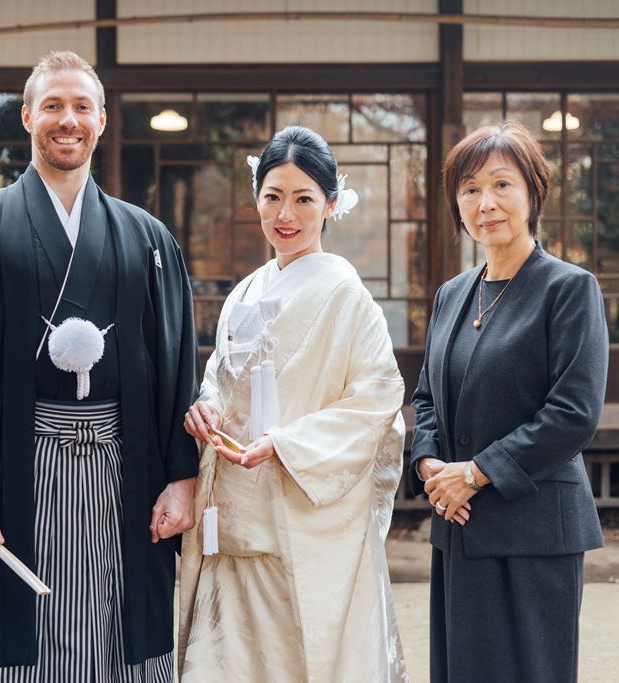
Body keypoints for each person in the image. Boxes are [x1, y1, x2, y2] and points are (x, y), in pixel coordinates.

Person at [0, 51, 199, 681]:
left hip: (125, 471)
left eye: (82, 107)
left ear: (102, 119)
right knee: (19, 641)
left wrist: (183, 479)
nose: (68, 120)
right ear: (27, 117)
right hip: (13, 471)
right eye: (53, 106)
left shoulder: (148, 238)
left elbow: (179, 365)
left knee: (121, 635)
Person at [178, 126, 408, 682]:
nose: (286, 215)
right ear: (256, 199)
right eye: (273, 196)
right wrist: (205, 406)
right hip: (233, 516)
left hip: (301, 520)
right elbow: (220, 378)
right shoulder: (245, 292)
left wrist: (286, 444)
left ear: (331, 203)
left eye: (304, 199)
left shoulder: (348, 296)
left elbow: (378, 399)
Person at [409, 119, 607, 683]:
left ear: (533, 192)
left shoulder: (569, 288)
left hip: (533, 530)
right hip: (459, 524)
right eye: (469, 189)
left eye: (502, 184)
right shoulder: (452, 294)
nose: (485, 203)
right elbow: (426, 398)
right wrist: (429, 465)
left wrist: (474, 473)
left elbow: (573, 412)